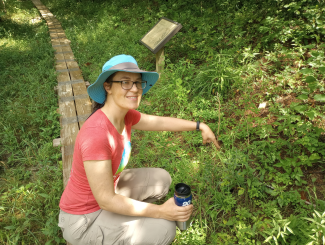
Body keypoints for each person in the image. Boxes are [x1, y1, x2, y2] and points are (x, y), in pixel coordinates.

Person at [58, 54, 220, 245]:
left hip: (107, 193)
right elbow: (106, 201)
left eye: (137, 82)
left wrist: (199, 126)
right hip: (84, 220)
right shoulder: (97, 134)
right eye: (125, 82)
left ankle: (126, 222)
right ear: (107, 87)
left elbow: (158, 122)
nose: (134, 89)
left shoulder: (124, 116)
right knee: (165, 229)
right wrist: (161, 212)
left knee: (161, 179)